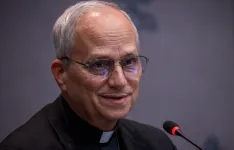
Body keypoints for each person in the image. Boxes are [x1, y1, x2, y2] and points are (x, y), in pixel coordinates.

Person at [0, 1, 176, 150]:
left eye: (129, 62)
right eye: (99, 65)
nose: (120, 81)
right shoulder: (23, 146)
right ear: (61, 74)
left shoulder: (156, 144)